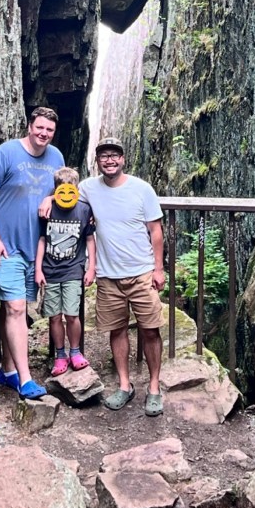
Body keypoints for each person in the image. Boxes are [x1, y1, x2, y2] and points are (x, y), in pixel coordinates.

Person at [0, 106, 64, 400]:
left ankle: (7, 370)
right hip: (5, 246)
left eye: (49, 130)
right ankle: (26, 380)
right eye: (40, 127)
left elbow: (65, 190)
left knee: (10, 307)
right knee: (16, 308)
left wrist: (52, 197)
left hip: (35, 248)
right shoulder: (6, 153)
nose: (44, 133)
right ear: (29, 126)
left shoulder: (56, 158)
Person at [81, 137, 165, 417]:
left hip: (141, 273)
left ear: (123, 159)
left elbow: (155, 230)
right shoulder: (88, 188)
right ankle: (125, 385)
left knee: (150, 330)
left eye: (114, 155)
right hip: (108, 276)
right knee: (116, 330)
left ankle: (154, 387)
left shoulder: (142, 189)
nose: (110, 160)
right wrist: (48, 199)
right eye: (104, 155)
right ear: (97, 161)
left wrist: (158, 269)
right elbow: (64, 196)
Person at [35, 167, 96, 375]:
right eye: (62, 189)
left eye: (71, 189)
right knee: (54, 316)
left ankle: (75, 352)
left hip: (73, 270)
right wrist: (38, 269)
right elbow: (42, 240)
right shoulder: (47, 209)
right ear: (56, 190)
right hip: (50, 271)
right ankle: (60, 355)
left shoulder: (84, 210)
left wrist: (91, 268)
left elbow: (90, 239)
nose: (67, 193)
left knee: (72, 314)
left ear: (77, 189)